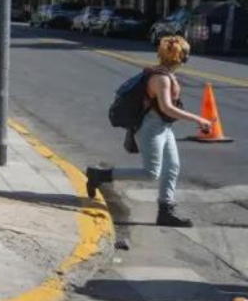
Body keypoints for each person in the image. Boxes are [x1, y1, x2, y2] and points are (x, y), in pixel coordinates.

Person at [85, 36, 213, 227]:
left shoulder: (165, 74)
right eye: (187, 53)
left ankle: (165, 211)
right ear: (181, 57)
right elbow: (167, 107)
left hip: (162, 126)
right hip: (150, 127)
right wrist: (198, 119)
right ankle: (99, 175)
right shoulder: (161, 78)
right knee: (151, 172)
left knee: (172, 167)